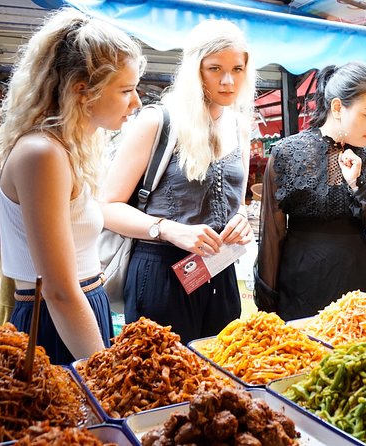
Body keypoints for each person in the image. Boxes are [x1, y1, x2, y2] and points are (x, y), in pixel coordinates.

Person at [0, 9, 144, 364]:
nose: (137, 103)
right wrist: (105, 373)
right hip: (54, 319)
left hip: (78, 309)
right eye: (126, 90)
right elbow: (60, 291)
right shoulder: (42, 154)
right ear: (83, 91)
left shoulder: (66, 147)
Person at [101, 19, 254, 344]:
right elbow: (107, 207)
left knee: (219, 378)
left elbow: (235, 200)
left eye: (237, 69)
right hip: (161, 271)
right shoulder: (158, 121)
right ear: (195, 69)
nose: (228, 81)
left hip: (219, 268)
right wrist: (168, 228)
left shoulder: (240, 125)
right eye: (215, 68)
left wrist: (240, 219)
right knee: (162, 382)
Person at [255, 62, 366, 321]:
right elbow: (272, 233)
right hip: (300, 283)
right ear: (337, 107)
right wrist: (267, 304)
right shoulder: (287, 152)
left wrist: (359, 185)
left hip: (357, 283)